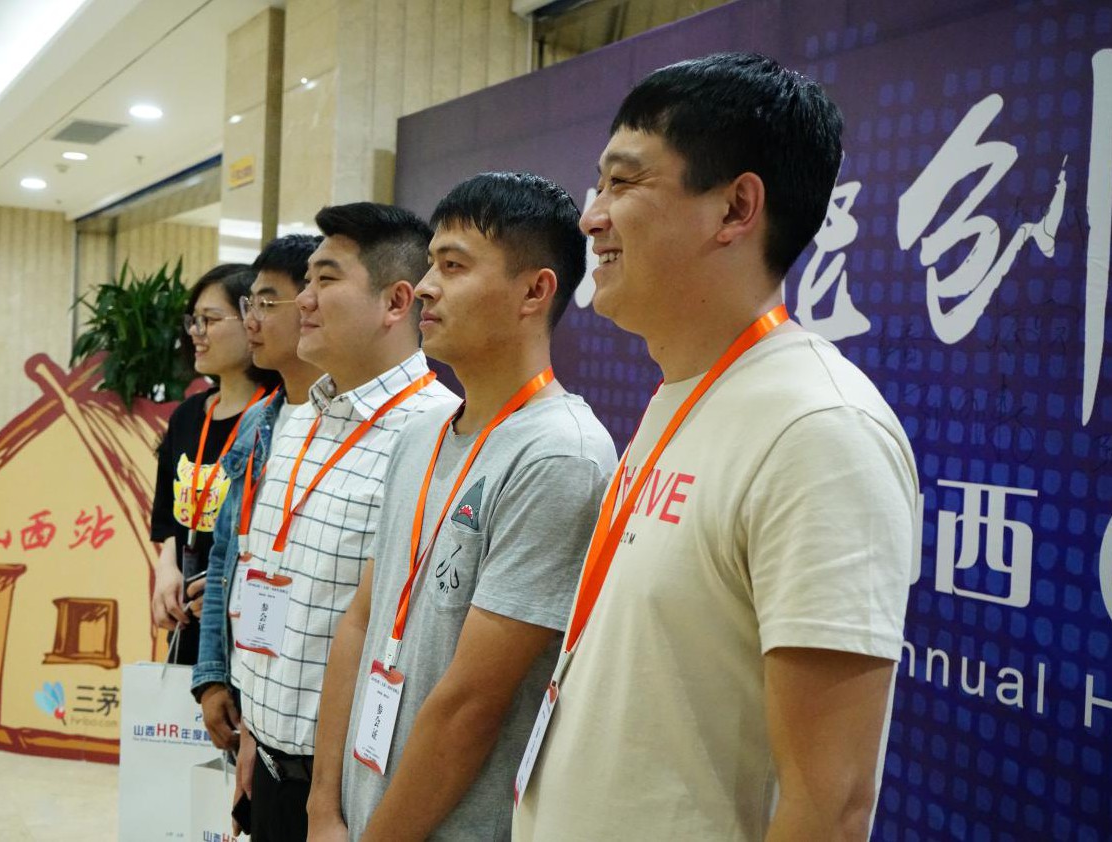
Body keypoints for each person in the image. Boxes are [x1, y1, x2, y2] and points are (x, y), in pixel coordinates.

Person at [513, 53, 919, 842]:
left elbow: (829, 808)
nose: (591, 217)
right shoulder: (684, 393)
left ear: (735, 208)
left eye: (622, 183)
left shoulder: (818, 431)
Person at [307, 172, 617, 842]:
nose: (424, 287)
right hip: (356, 813)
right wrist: (323, 807)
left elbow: (472, 705)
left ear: (534, 292)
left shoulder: (559, 454)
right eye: (429, 265)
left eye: (452, 266)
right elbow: (361, 620)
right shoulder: (422, 433)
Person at [232, 203, 458, 841]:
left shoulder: (437, 434)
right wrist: (253, 730)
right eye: (306, 280)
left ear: (396, 302)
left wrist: (326, 804)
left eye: (325, 280)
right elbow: (268, 572)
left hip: (346, 792)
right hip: (267, 758)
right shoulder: (301, 416)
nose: (303, 300)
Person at [190, 235, 325, 752]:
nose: (252, 322)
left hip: (305, 708)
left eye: (267, 305)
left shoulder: (349, 426)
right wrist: (212, 676)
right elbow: (226, 553)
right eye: (249, 306)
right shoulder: (258, 423)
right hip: (247, 672)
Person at [150, 263, 278, 665]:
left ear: (251, 320)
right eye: (194, 319)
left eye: (210, 319)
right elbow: (170, 519)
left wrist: (230, 588)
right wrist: (166, 570)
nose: (196, 332)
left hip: (246, 624)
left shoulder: (277, 417)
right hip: (186, 617)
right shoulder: (187, 416)